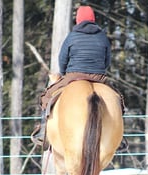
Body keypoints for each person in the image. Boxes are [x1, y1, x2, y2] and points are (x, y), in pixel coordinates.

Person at [32, 5, 127, 151]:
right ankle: (119, 135)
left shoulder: (72, 36)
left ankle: (44, 131)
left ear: (78, 20)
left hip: (73, 75)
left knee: (47, 96)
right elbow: (107, 61)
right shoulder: (102, 36)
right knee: (118, 99)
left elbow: (62, 59)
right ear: (93, 19)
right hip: (98, 76)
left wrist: (65, 74)